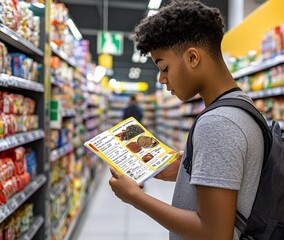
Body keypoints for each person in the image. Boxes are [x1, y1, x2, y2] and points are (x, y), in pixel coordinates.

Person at [108, 1, 264, 239]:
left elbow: (213, 233)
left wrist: (135, 198)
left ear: (192, 57)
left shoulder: (218, 123)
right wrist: (185, 170)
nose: (161, 79)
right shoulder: (239, 104)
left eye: (164, 67)